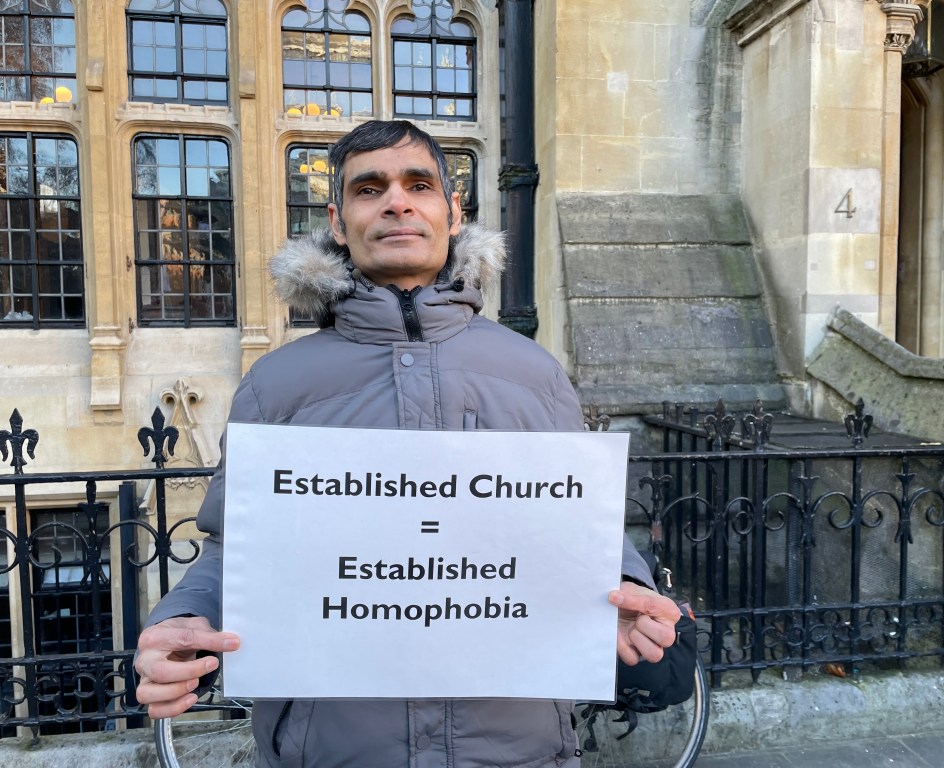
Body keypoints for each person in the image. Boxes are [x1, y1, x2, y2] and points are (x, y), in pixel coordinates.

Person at [134, 120, 680, 767]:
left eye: (418, 184)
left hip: (516, 751)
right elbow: (240, 551)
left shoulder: (533, 374)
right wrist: (186, 616)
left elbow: (571, 530)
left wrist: (620, 585)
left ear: (451, 212)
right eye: (370, 189)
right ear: (339, 221)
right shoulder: (276, 384)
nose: (396, 201)